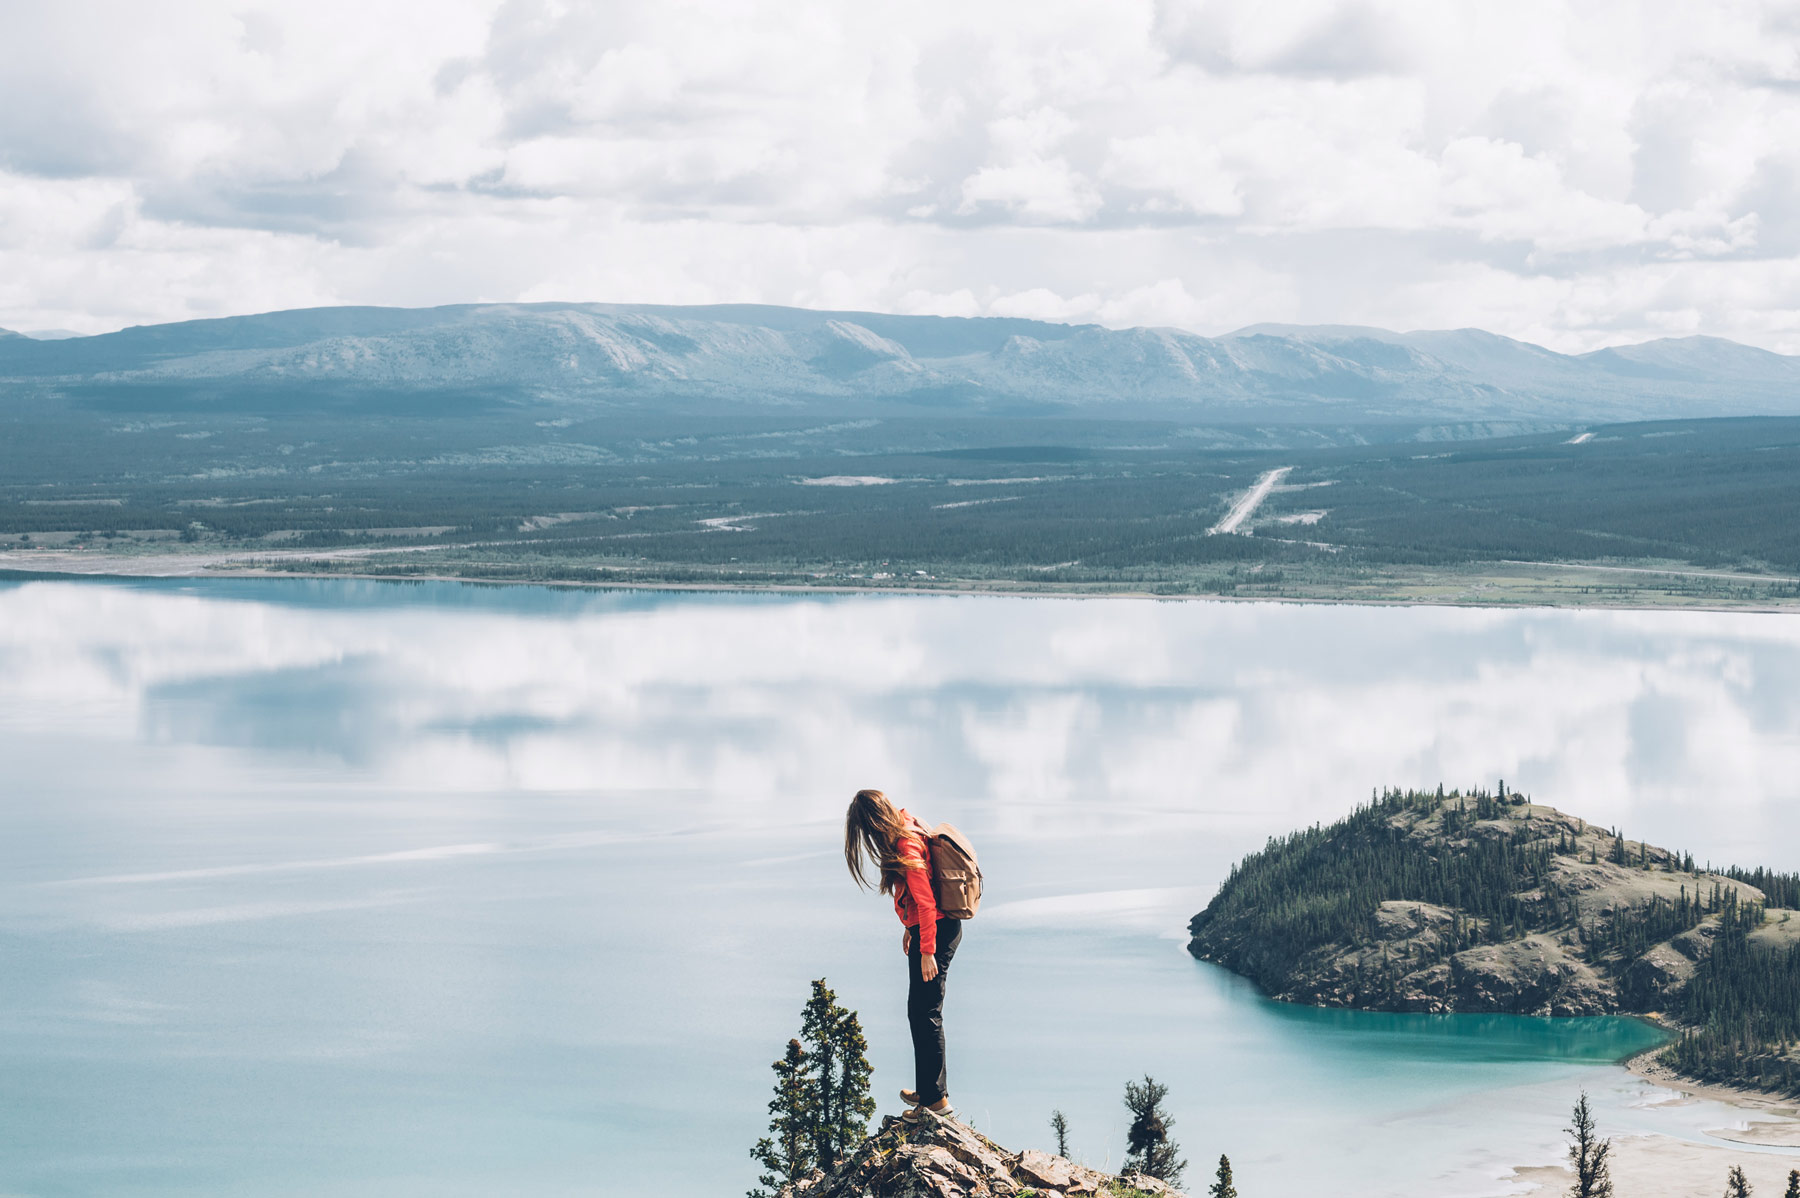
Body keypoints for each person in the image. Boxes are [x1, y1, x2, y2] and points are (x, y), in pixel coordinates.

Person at [843, 788, 963, 1122]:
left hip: (936, 933)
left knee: (926, 1014)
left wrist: (927, 950)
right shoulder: (907, 823)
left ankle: (937, 1103)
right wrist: (910, 928)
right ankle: (927, 1090)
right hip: (932, 929)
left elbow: (926, 902)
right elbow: (918, 898)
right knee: (919, 1011)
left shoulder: (905, 843)